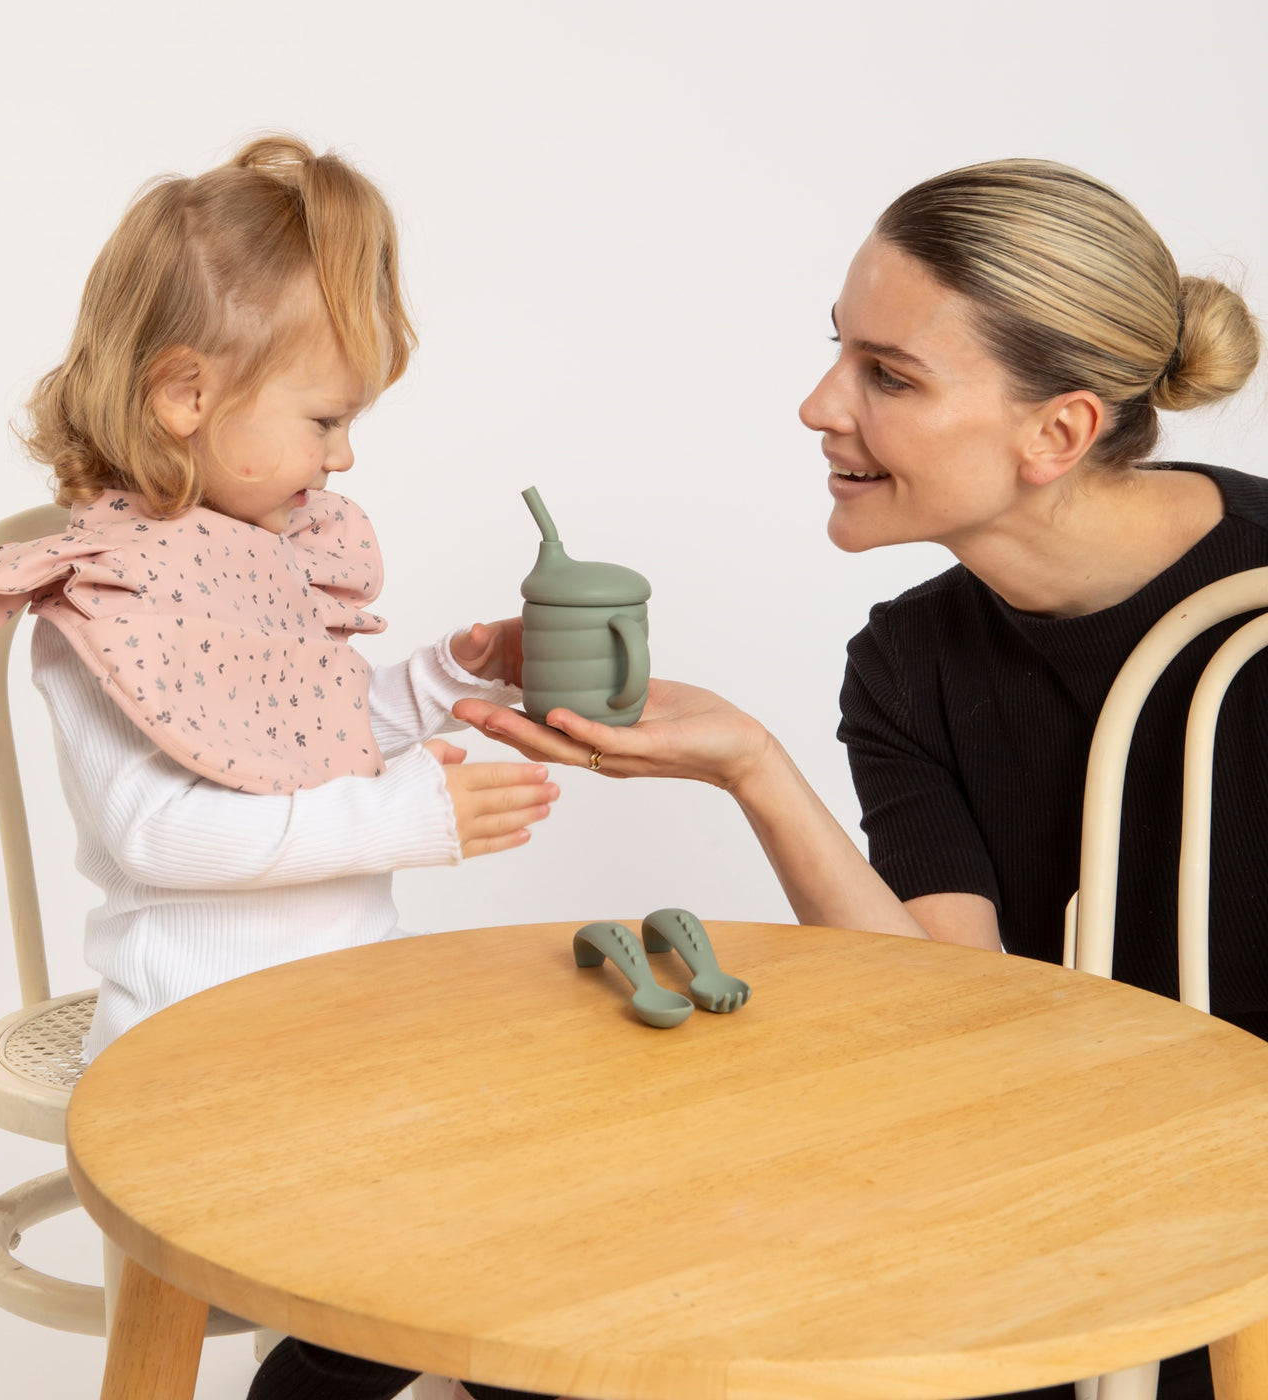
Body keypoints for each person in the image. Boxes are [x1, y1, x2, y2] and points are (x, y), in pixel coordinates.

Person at [455, 158, 1264, 1400]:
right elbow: (952, 1015)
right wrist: (752, 766)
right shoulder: (908, 661)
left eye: (886, 375)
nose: (816, 404)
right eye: (839, 350)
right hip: (1028, 1186)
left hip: (1210, 1263)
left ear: (1056, 431)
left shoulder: (1253, 607)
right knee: (497, 1308)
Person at [0, 136, 559, 1400]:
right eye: (326, 419)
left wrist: (447, 675)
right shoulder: (113, 599)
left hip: (333, 1037)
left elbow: (301, 730)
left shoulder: (263, 556)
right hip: (195, 1064)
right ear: (187, 399)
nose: (341, 458)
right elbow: (164, 834)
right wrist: (411, 817)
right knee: (422, 1253)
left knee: (534, 1202)